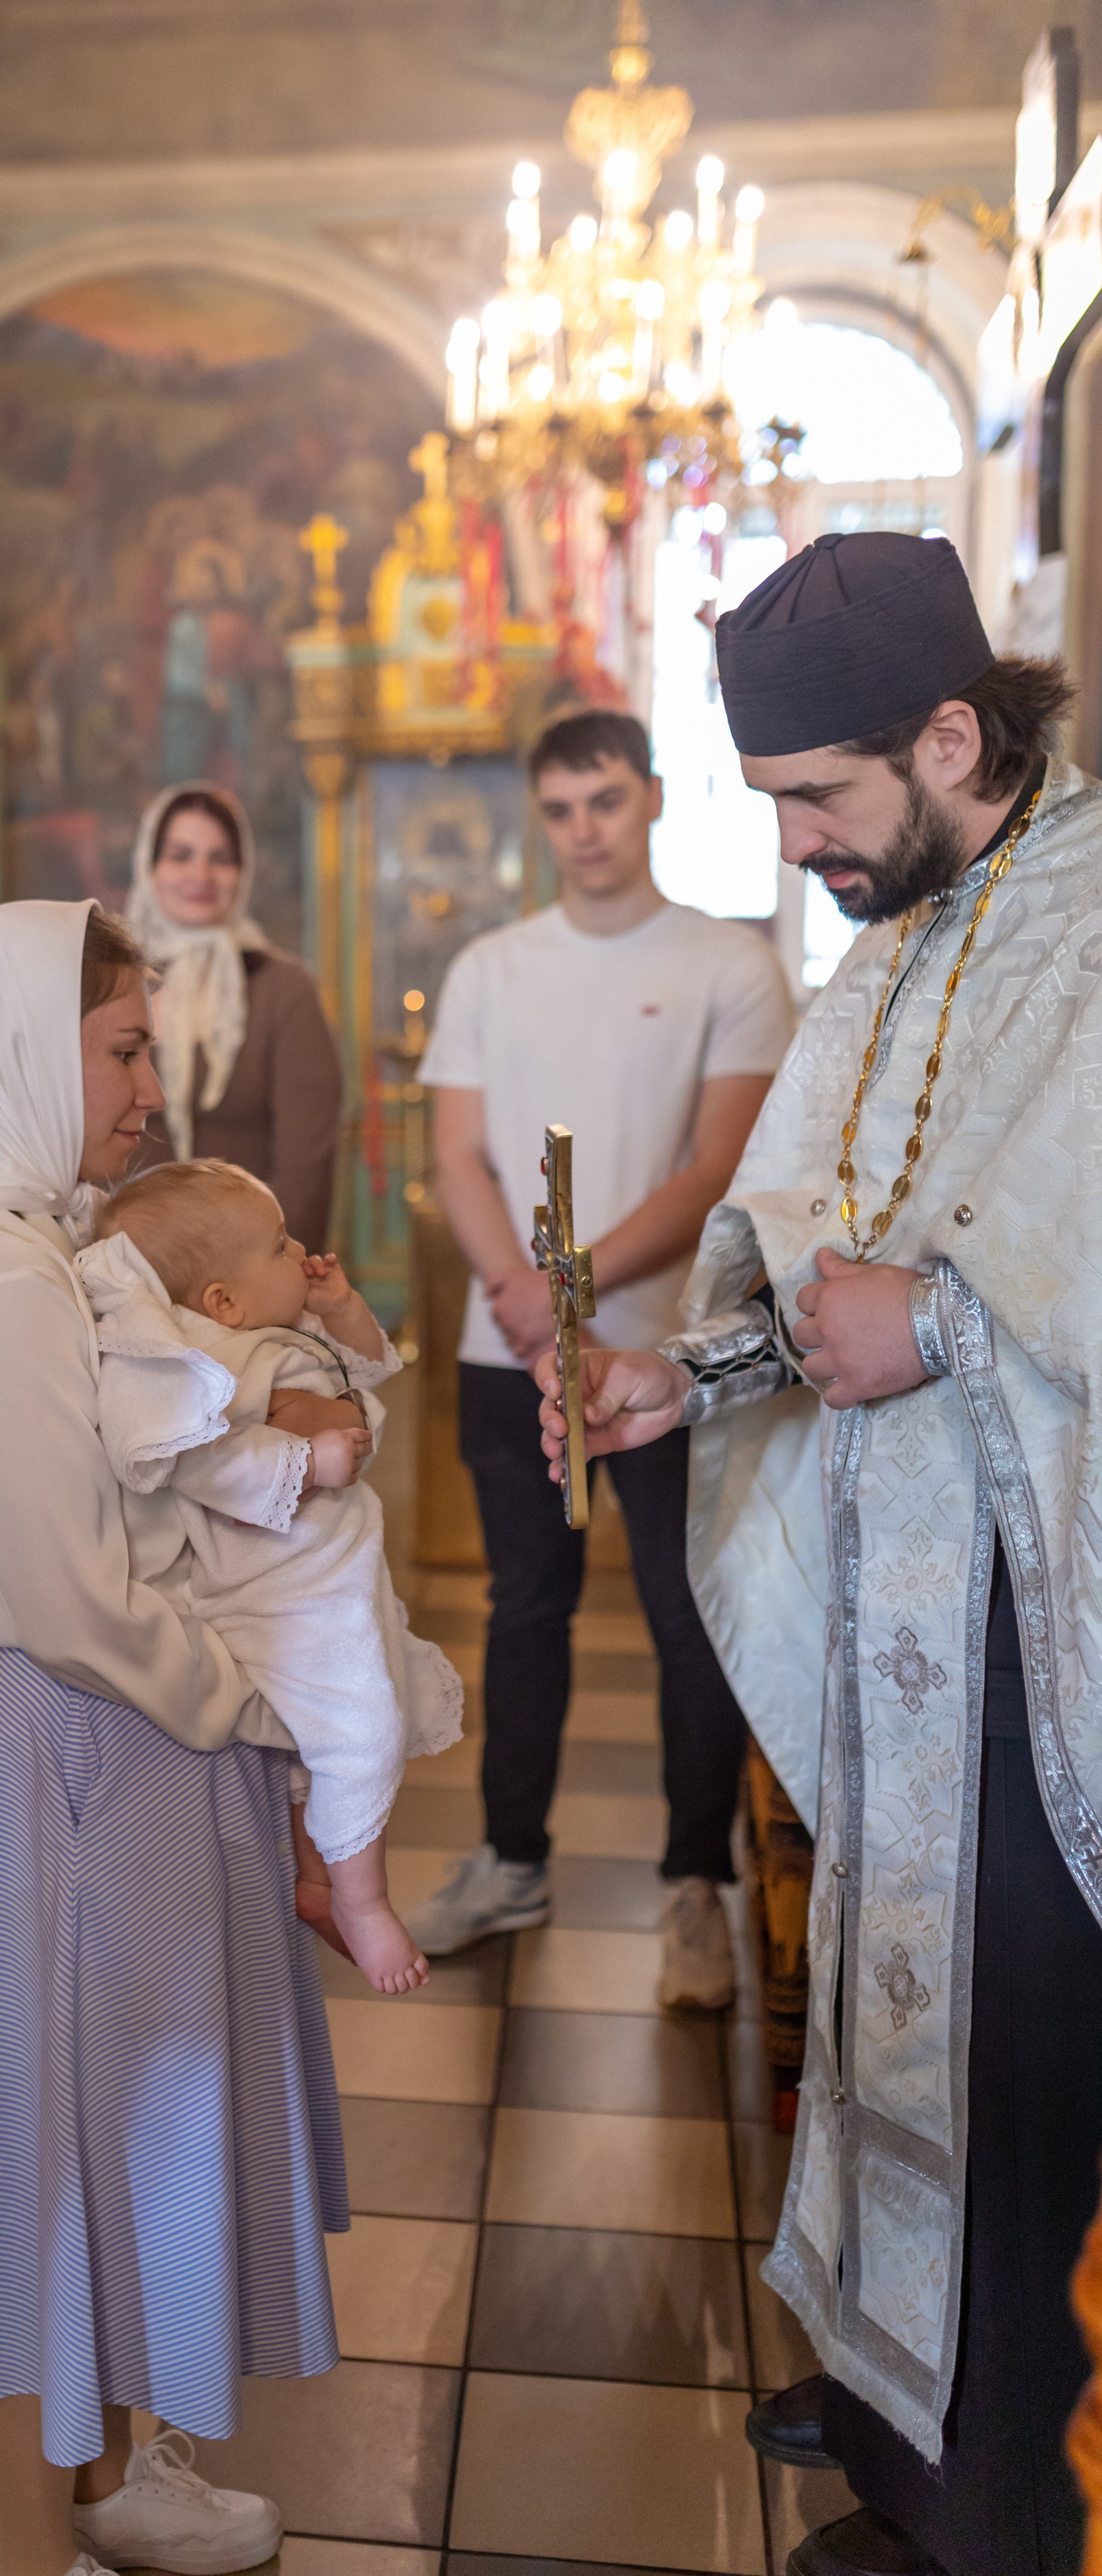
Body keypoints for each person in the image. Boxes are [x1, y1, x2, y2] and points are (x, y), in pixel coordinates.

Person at [534, 531, 1102, 2576]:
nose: (797, 847)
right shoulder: (894, 946)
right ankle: (887, 2404)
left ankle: (997, 2512)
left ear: (954, 735)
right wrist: (691, 1376)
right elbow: (806, 1247)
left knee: (1015, 2053)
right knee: (887, 2014)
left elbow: (997, 1263)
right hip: (890, 1626)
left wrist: (942, 1322)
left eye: (819, 798)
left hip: (1037, 1639)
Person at [0, 901, 346, 2576]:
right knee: (51, 2159)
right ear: (14, 1046)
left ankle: (105, 2479)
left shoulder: (36, 1239)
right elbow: (69, 1591)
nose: (151, 1085)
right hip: (94, 1735)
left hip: (130, 1733)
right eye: (123, 1048)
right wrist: (248, 1701)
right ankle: (28, 2543)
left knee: (123, 2122)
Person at [409, 708, 793, 2006]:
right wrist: (521, 1302)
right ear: (541, 816)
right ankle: (511, 1854)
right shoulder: (490, 969)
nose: (585, 831)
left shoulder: (728, 965)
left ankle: (696, 1885)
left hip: (672, 1354)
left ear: (654, 800)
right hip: (502, 1345)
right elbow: (454, 1153)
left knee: (690, 1616)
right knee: (524, 1609)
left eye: (607, 802)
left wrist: (567, 1286)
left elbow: (716, 1168)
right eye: (563, 808)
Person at [76, 1159, 464, 1990]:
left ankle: (320, 1883)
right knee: (360, 1731)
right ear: (222, 1301)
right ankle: (365, 1904)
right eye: (281, 1245)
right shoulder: (208, 1366)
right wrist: (305, 1459)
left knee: (308, 1745)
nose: (303, 1253)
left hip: (327, 1576)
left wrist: (343, 1311)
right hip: (278, 1590)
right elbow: (199, 1463)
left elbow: (366, 1372)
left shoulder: (272, 1336)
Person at [128, 780, 344, 1251]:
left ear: (243, 873)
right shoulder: (110, 984)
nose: (200, 875)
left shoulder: (285, 990)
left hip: (248, 1270)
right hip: (122, 1261)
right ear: (149, 866)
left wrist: (260, 1274)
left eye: (220, 858)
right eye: (181, 855)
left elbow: (304, 1169)